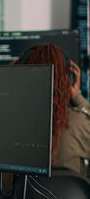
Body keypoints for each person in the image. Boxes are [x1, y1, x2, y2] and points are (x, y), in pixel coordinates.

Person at [19, 44, 89, 175]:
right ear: (69, 78)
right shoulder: (80, 122)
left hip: (19, 196)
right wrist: (78, 98)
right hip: (70, 195)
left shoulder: (8, 123)